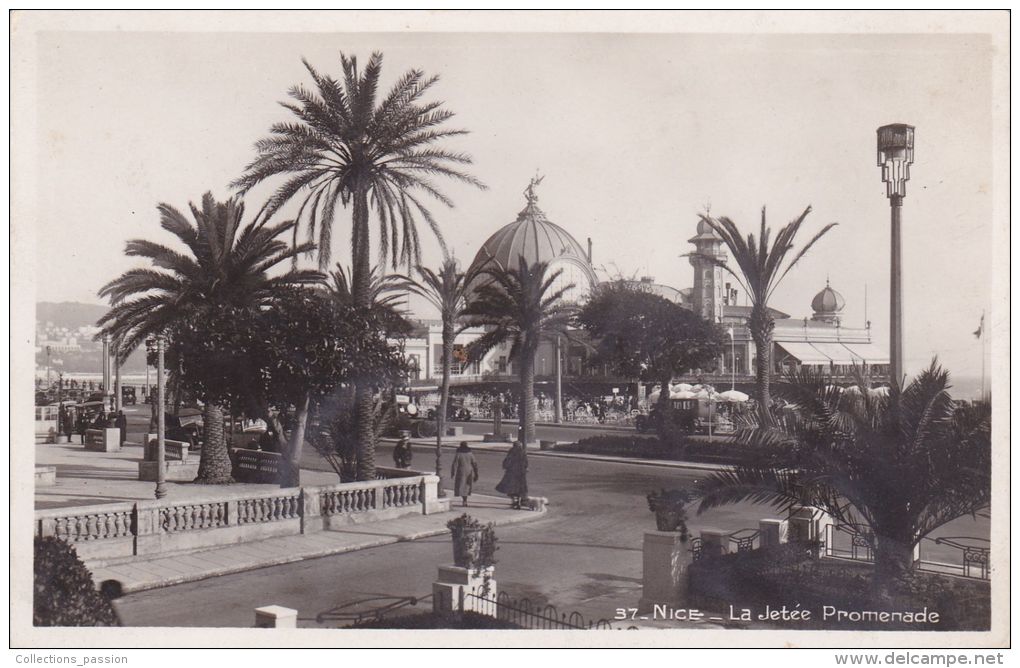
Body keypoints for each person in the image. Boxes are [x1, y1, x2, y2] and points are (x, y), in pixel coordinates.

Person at [496, 441, 529, 509]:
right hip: (521, 473)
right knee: (520, 488)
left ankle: (514, 502)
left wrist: (505, 466)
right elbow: (526, 462)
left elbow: (507, 460)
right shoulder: (523, 452)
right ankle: (519, 502)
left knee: (512, 489)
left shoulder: (511, 452)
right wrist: (525, 468)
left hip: (512, 472)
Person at [450, 442, 479, 507]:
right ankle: (465, 500)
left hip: (461, 471)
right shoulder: (470, 454)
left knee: (461, 486)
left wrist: (452, 473)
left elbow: (454, 464)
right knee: (467, 486)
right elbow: (475, 464)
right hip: (469, 471)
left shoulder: (458, 454)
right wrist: (476, 473)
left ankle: (464, 500)